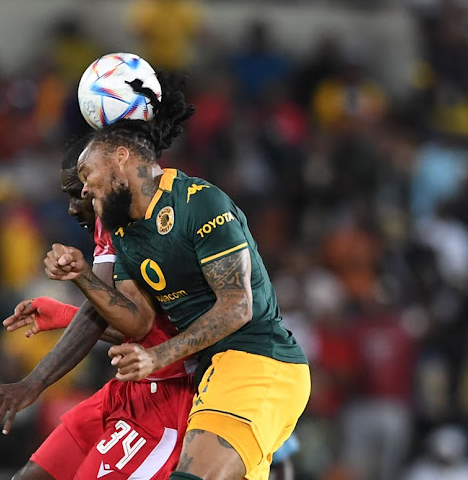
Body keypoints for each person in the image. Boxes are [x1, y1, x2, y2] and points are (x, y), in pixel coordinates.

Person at [43, 75, 310, 480]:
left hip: (258, 361)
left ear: (119, 157)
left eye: (87, 175)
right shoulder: (127, 235)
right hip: (212, 375)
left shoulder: (199, 202)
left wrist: (157, 357)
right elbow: (135, 320)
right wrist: (82, 276)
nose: (84, 190)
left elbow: (238, 306)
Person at [0, 135, 196, 480]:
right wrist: (65, 313)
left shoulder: (143, 224)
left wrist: (32, 383)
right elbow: (124, 317)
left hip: (165, 399)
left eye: (76, 190)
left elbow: (139, 324)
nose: (72, 205)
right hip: (124, 391)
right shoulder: (107, 224)